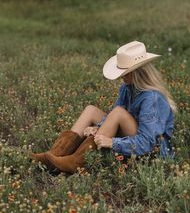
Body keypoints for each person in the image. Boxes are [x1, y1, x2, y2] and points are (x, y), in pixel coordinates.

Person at [31, 41, 177, 174]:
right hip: (132, 137)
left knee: (119, 113)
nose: (122, 77)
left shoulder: (151, 98)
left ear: (138, 72)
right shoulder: (127, 87)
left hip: (150, 154)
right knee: (91, 110)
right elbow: (113, 116)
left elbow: (148, 143)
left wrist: (113, 142)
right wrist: (98, 127)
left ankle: (78, 162)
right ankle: (54, 156)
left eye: (125, 73)